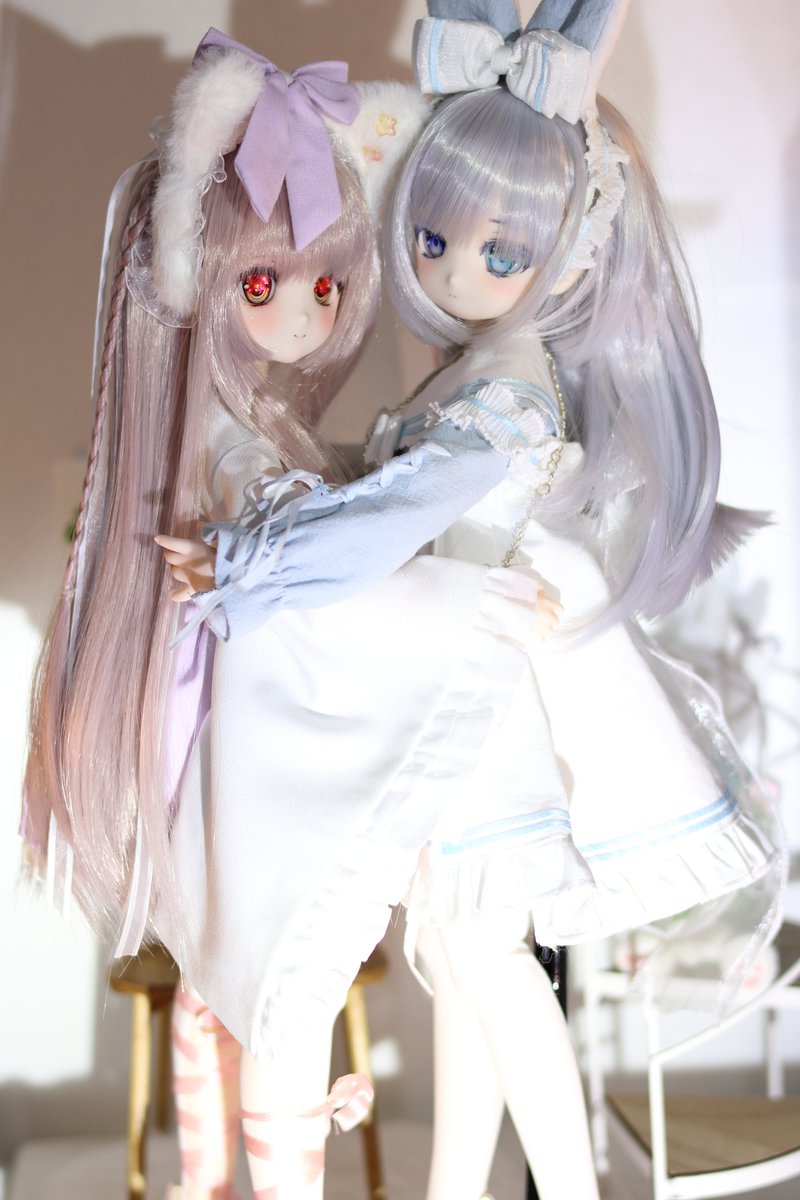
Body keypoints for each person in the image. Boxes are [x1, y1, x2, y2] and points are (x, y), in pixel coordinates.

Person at [161, 5, 782, 1198]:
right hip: (454, 672)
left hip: (476, 699)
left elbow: (404, 512)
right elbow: (392, 494)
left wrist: (260, 564)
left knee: (485, 959)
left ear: (571, 254)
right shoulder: (472, 375)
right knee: (462, 957)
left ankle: (567, 1187)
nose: (453, 273)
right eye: (433, 239)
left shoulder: (507, 391)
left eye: (499, 255)